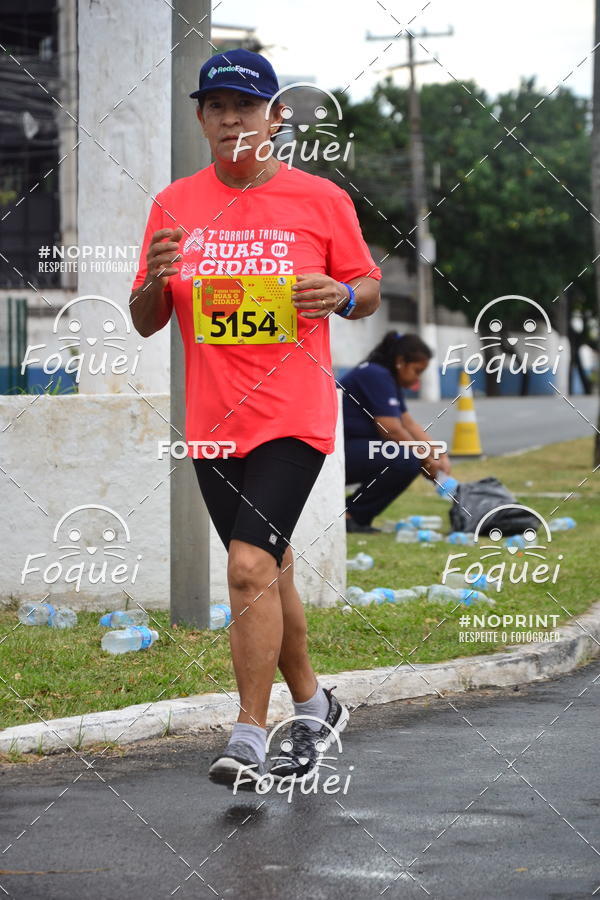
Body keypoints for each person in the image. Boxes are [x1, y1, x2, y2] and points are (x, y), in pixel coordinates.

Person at [129, 48, 382, 787]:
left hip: (293, 416)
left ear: (275, 117)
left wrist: (337, 295)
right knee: (270, 571)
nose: (231, 117)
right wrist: (157, 278)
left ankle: (248, 734)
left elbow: (367, 287)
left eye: (246, 105)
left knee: (245, 568)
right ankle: (315, 704)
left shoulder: (320, 199)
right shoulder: (175, 203)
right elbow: (146, 320)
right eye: (216, 106)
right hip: (214, 422)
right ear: (202, 119)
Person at [340, 331, 451, 532]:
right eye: (417, 371)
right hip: (337, 451)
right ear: (400, 361)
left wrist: (438, 453)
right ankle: (350, 515)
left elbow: (408, 424)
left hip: (351, 448)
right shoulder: (375, 374)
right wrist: (425, 458)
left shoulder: (386, 377)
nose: (418, 378)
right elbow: (391, 430)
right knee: (405, 460)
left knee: (408, 456)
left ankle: (353, 515)